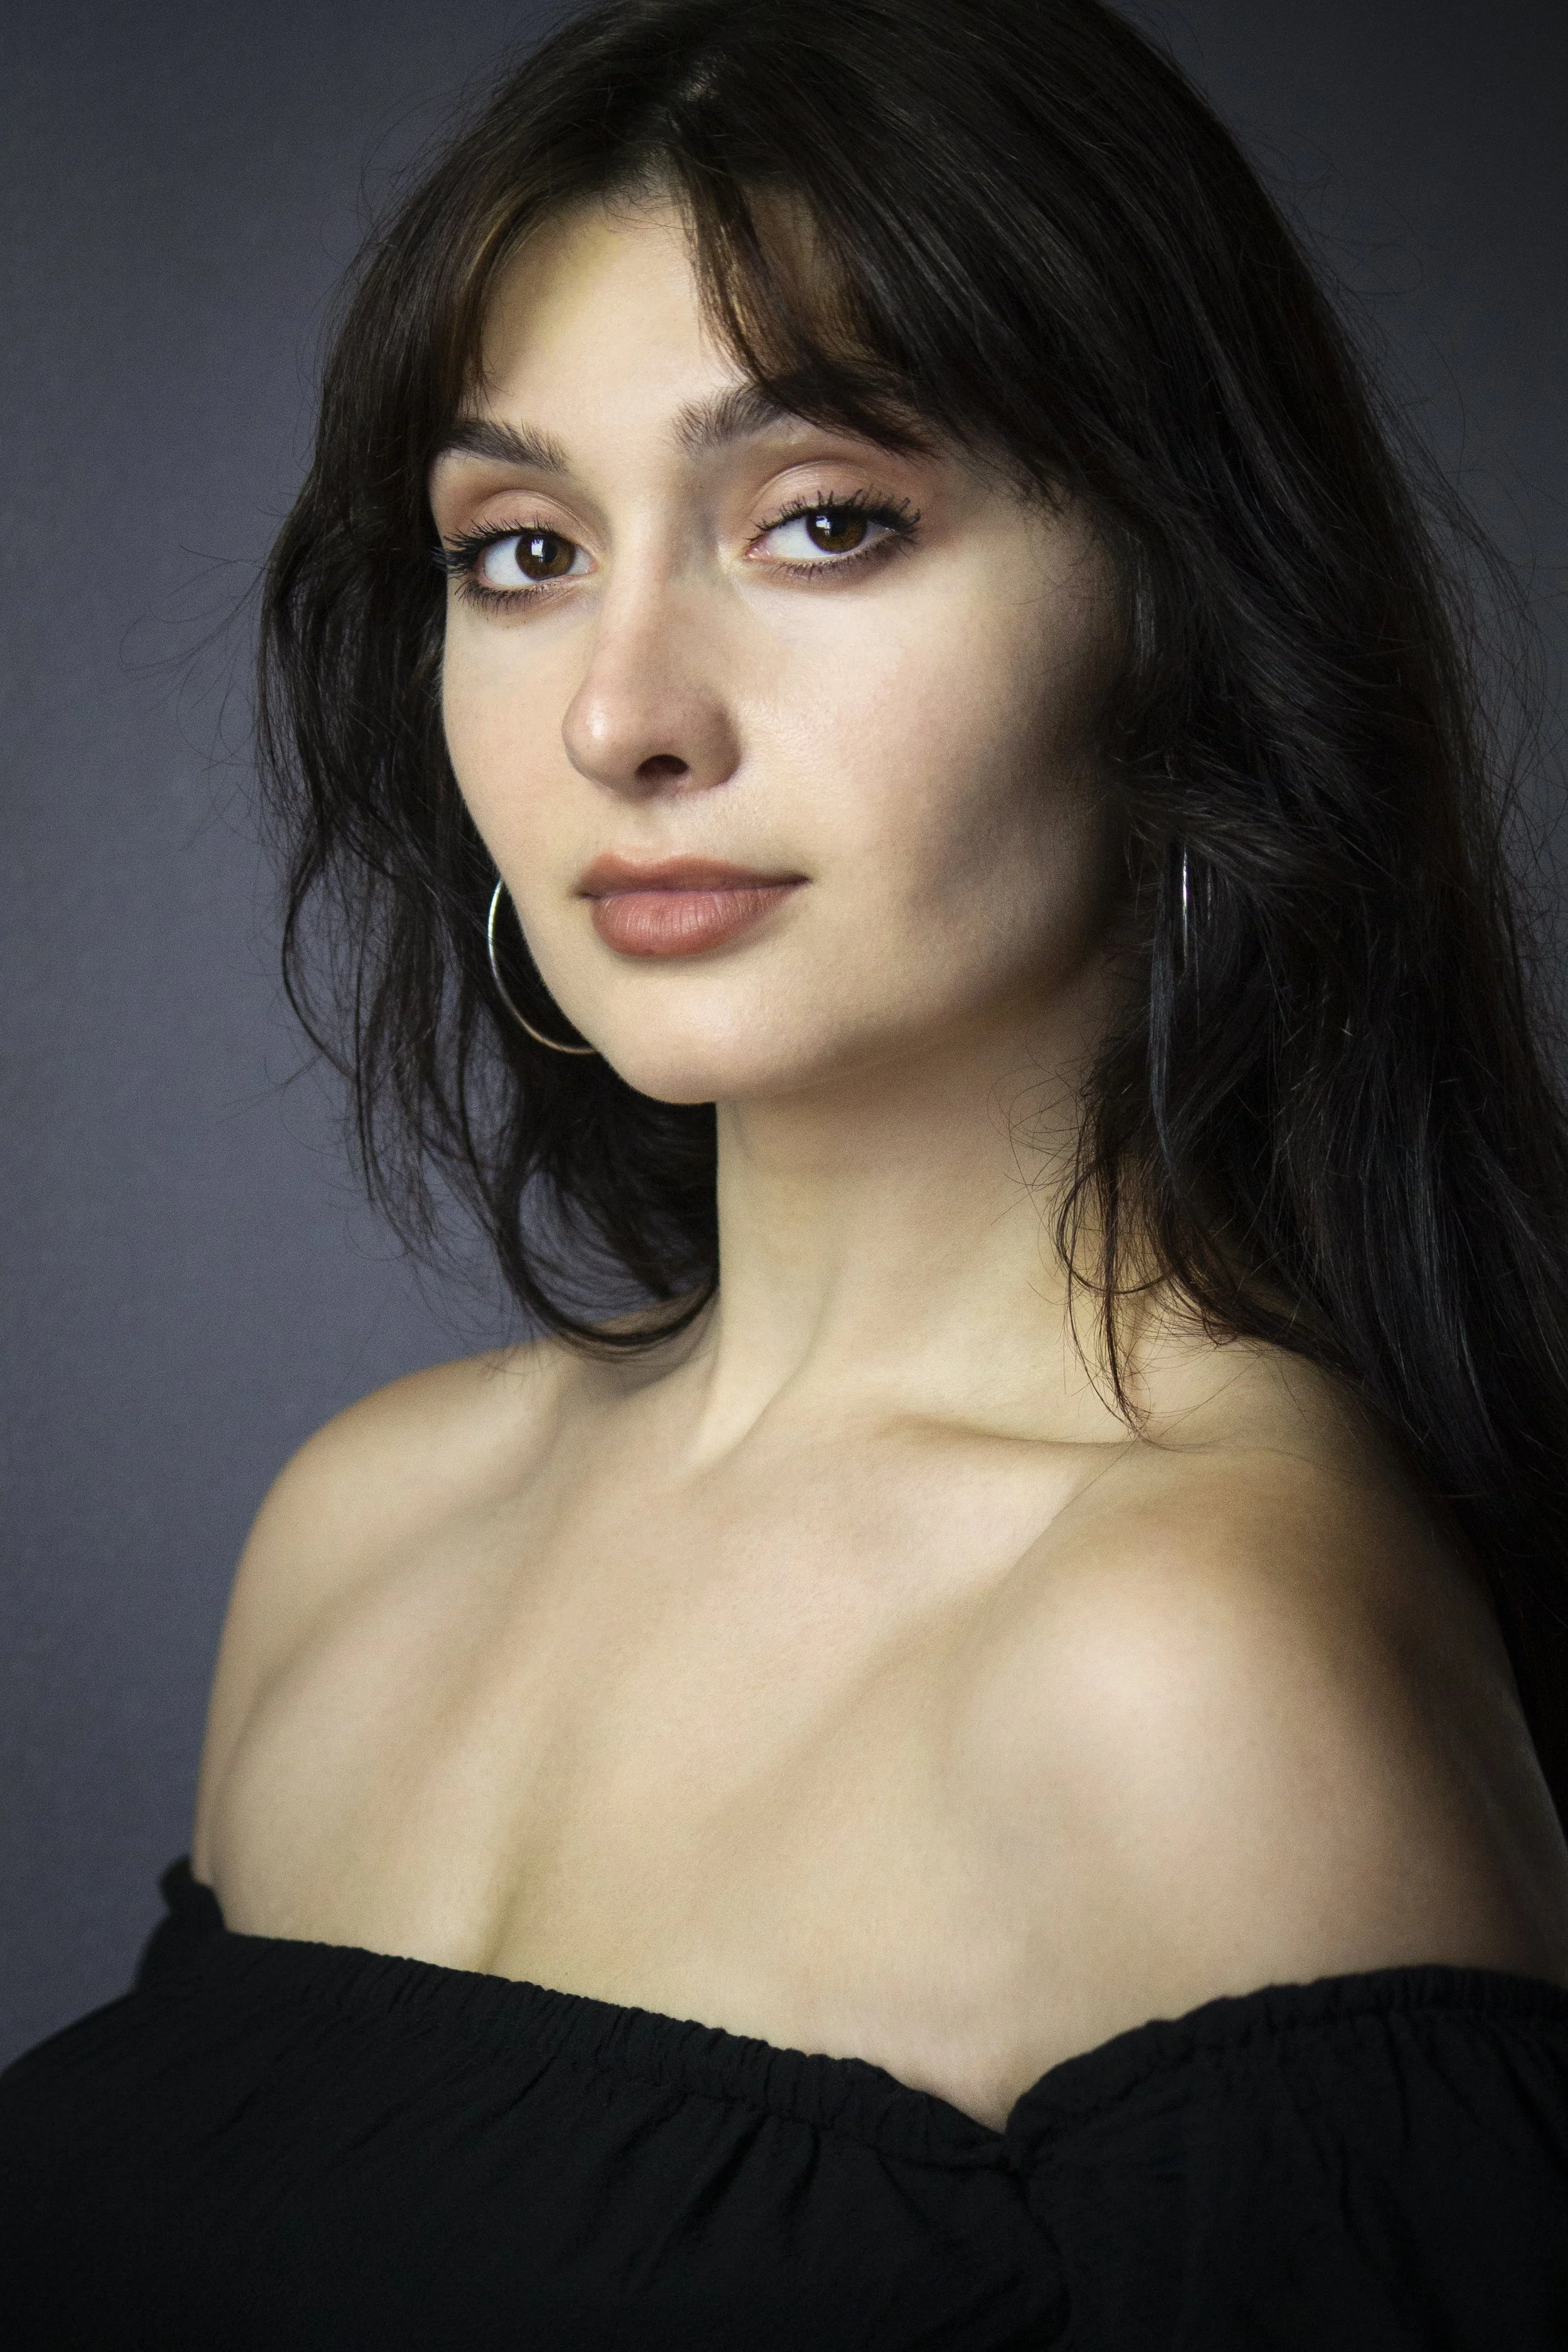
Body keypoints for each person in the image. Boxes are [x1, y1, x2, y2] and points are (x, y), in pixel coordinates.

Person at [4, 0, 1567, 2340]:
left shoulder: (1193, 1666)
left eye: (822, 522)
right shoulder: (366, 1524)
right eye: (519, 548)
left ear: (1180, 606)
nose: (624, 710)